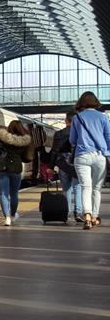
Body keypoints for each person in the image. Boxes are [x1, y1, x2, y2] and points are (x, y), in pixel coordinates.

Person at [68, 91, 110, 229]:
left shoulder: (77, 118)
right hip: (99, 156)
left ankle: (86, 215)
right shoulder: (103, 117)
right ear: (95, 102)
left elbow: (72, 140)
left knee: (85, 187)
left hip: (82, 156)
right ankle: (95, 217)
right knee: (96, 189)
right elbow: (108, 138)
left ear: (82, 102)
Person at [0, 120, 34, 226]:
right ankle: (12, 215)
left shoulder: (1, 138)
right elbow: (27, 157)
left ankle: (6, 218)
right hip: (16, 169)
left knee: (3, 194)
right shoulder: (24, 141)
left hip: (2, 168)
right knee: (14, 194)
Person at [50, 112, 82, 224]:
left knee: (66, 189)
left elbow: (54, 151)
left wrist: (51, 166)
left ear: (66, 121)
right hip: (76, 164)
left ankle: (66, 213)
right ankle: (78, 212)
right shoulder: (79, 133)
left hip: (63, 164)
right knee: (78, 188)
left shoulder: (59, 133)